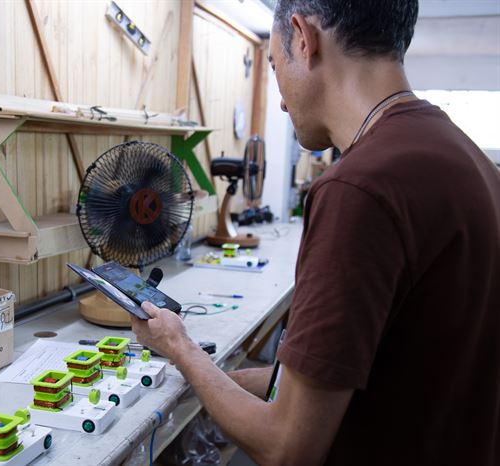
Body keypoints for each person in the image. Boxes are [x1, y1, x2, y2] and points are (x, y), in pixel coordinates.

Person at [131, 1, 500, 464]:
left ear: (304, 39)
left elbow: (287, 447)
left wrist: (180, 347)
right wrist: (220, 379)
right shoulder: (469, 159)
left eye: (274, 65)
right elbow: (394, 370)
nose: (282, 101)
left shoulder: (360, 188)